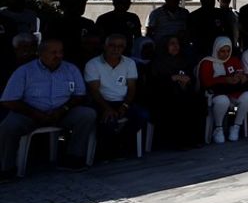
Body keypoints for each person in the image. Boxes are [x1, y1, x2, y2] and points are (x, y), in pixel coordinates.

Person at [0, 38, 97, 174]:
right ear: (41, 53)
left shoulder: (71, 69)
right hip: (30, 113)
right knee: (8, 126)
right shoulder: (25, 71)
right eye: (53, 52)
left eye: (61, 52)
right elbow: (8, 100)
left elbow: (79, 95)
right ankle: (6, 168)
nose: (58, 56)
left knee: (87, 114)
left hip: (61, 112)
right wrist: (35, 114)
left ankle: (73, 158)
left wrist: (63, 109)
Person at [83, 34, 146, 160]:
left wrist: (125, 105)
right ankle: (105, 152)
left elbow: (132, 88)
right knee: (108, 120)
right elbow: (94, 91)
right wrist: (106, 108)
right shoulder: (93, 64)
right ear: (105, 46)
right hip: (101, 102)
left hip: (122, 101)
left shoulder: (129, 63)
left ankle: (120, 144)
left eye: (120, 46)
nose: (116, 49)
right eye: (112, 45)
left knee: (142, 116)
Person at [146, 35, 206, 149]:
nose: (175, 46)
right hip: (162, 97)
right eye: (172, 44)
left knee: (197, 100)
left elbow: (191, 78)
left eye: (177, 43)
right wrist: (172, 78)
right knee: (177, 102)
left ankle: (194, 139)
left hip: (182, 93)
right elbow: (153, 84)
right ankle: (178, 141)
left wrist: (186, 82)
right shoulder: (157, 63)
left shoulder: (183, 60)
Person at [198, 37, 248, 144]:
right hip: (215, 94)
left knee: (246, 97)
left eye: (228, 51)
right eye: (222, 51)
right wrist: (225, 80)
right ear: (216, 49)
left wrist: (240, 77)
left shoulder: (233, 60)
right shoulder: (207, 62)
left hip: (233, 95)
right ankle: (219, 128)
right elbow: (206, 81)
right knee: (223, 101)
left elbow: (241, 73)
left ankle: (235, 125)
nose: (226, 54)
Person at [188, 0, 235, 66]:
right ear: (201, 0)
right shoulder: (194, 16)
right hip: (201, 50)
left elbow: (229, 31)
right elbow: (191, 35)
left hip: (220, 49)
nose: (210, 2)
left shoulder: (220, 13)